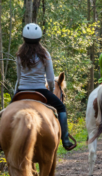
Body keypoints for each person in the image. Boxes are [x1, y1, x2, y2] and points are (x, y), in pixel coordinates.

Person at [14, 23, 76, 151]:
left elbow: (19, 77)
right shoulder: (45, 54)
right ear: (39, 38)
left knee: (6, 112)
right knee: (61, 107)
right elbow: (50, 79)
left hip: (22, 90)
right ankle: (65, 140)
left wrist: (16, 92)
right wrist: (51, 90)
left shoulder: (19, 55)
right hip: (40, 90)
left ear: (24, 38)